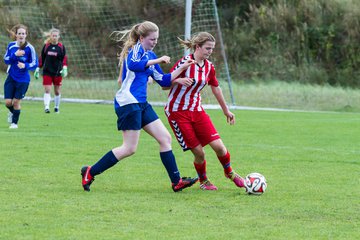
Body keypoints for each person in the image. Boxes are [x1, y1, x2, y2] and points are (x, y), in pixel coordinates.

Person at [81, 21, 197, 192]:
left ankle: (176, 181)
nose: (154, 42)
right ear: (141, 38)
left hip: (141, 104)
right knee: (129, 148)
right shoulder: (136, 50)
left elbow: (163, 80)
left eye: (156, 39)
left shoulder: (151, 55)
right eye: (151, 39)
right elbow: (133, 65)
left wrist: (181, 69)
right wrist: (159, 59)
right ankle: (90, 172)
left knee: (165, 139)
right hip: (128, 102)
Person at [164, 32, 246, 191]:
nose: (210, 52)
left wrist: (226, 111)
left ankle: (229, 173)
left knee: (220, 147)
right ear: (197, 47)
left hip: (197, 111)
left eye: (212, 49)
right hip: (177, 113)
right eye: (207, 48)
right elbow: (164, 85)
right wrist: (177, 80)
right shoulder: (185, 63)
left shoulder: (209, 67)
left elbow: (215, 88)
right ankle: (204, 181)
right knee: (200, 154)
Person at [3, 24, 38, 129]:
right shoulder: (11, 46)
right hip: (11, 77)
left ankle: (14, 124)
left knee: (16, 102)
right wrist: (15, 55)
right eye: (19, 33)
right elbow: (6, 60)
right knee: (8, 102)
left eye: (23, 33)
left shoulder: (30, 48)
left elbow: (35, 63)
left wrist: (25, 65)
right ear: (16, 35)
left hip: (23, 80)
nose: (21, 35)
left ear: (26, 35)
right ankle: (13, 113)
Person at [34, 28, 68, 113]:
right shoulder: (46, 46)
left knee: (57, 91)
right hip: (47, 72)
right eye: (53, 35)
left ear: (58, 37)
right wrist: (38, 68)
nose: (54, 37)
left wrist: (64, 68)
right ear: (50, 36)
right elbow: (42, 58)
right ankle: (47, 107)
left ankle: (56, 107)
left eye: (56, 36)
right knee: (47, 90)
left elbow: (64, 58)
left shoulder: (61, 47)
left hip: (57, 73)